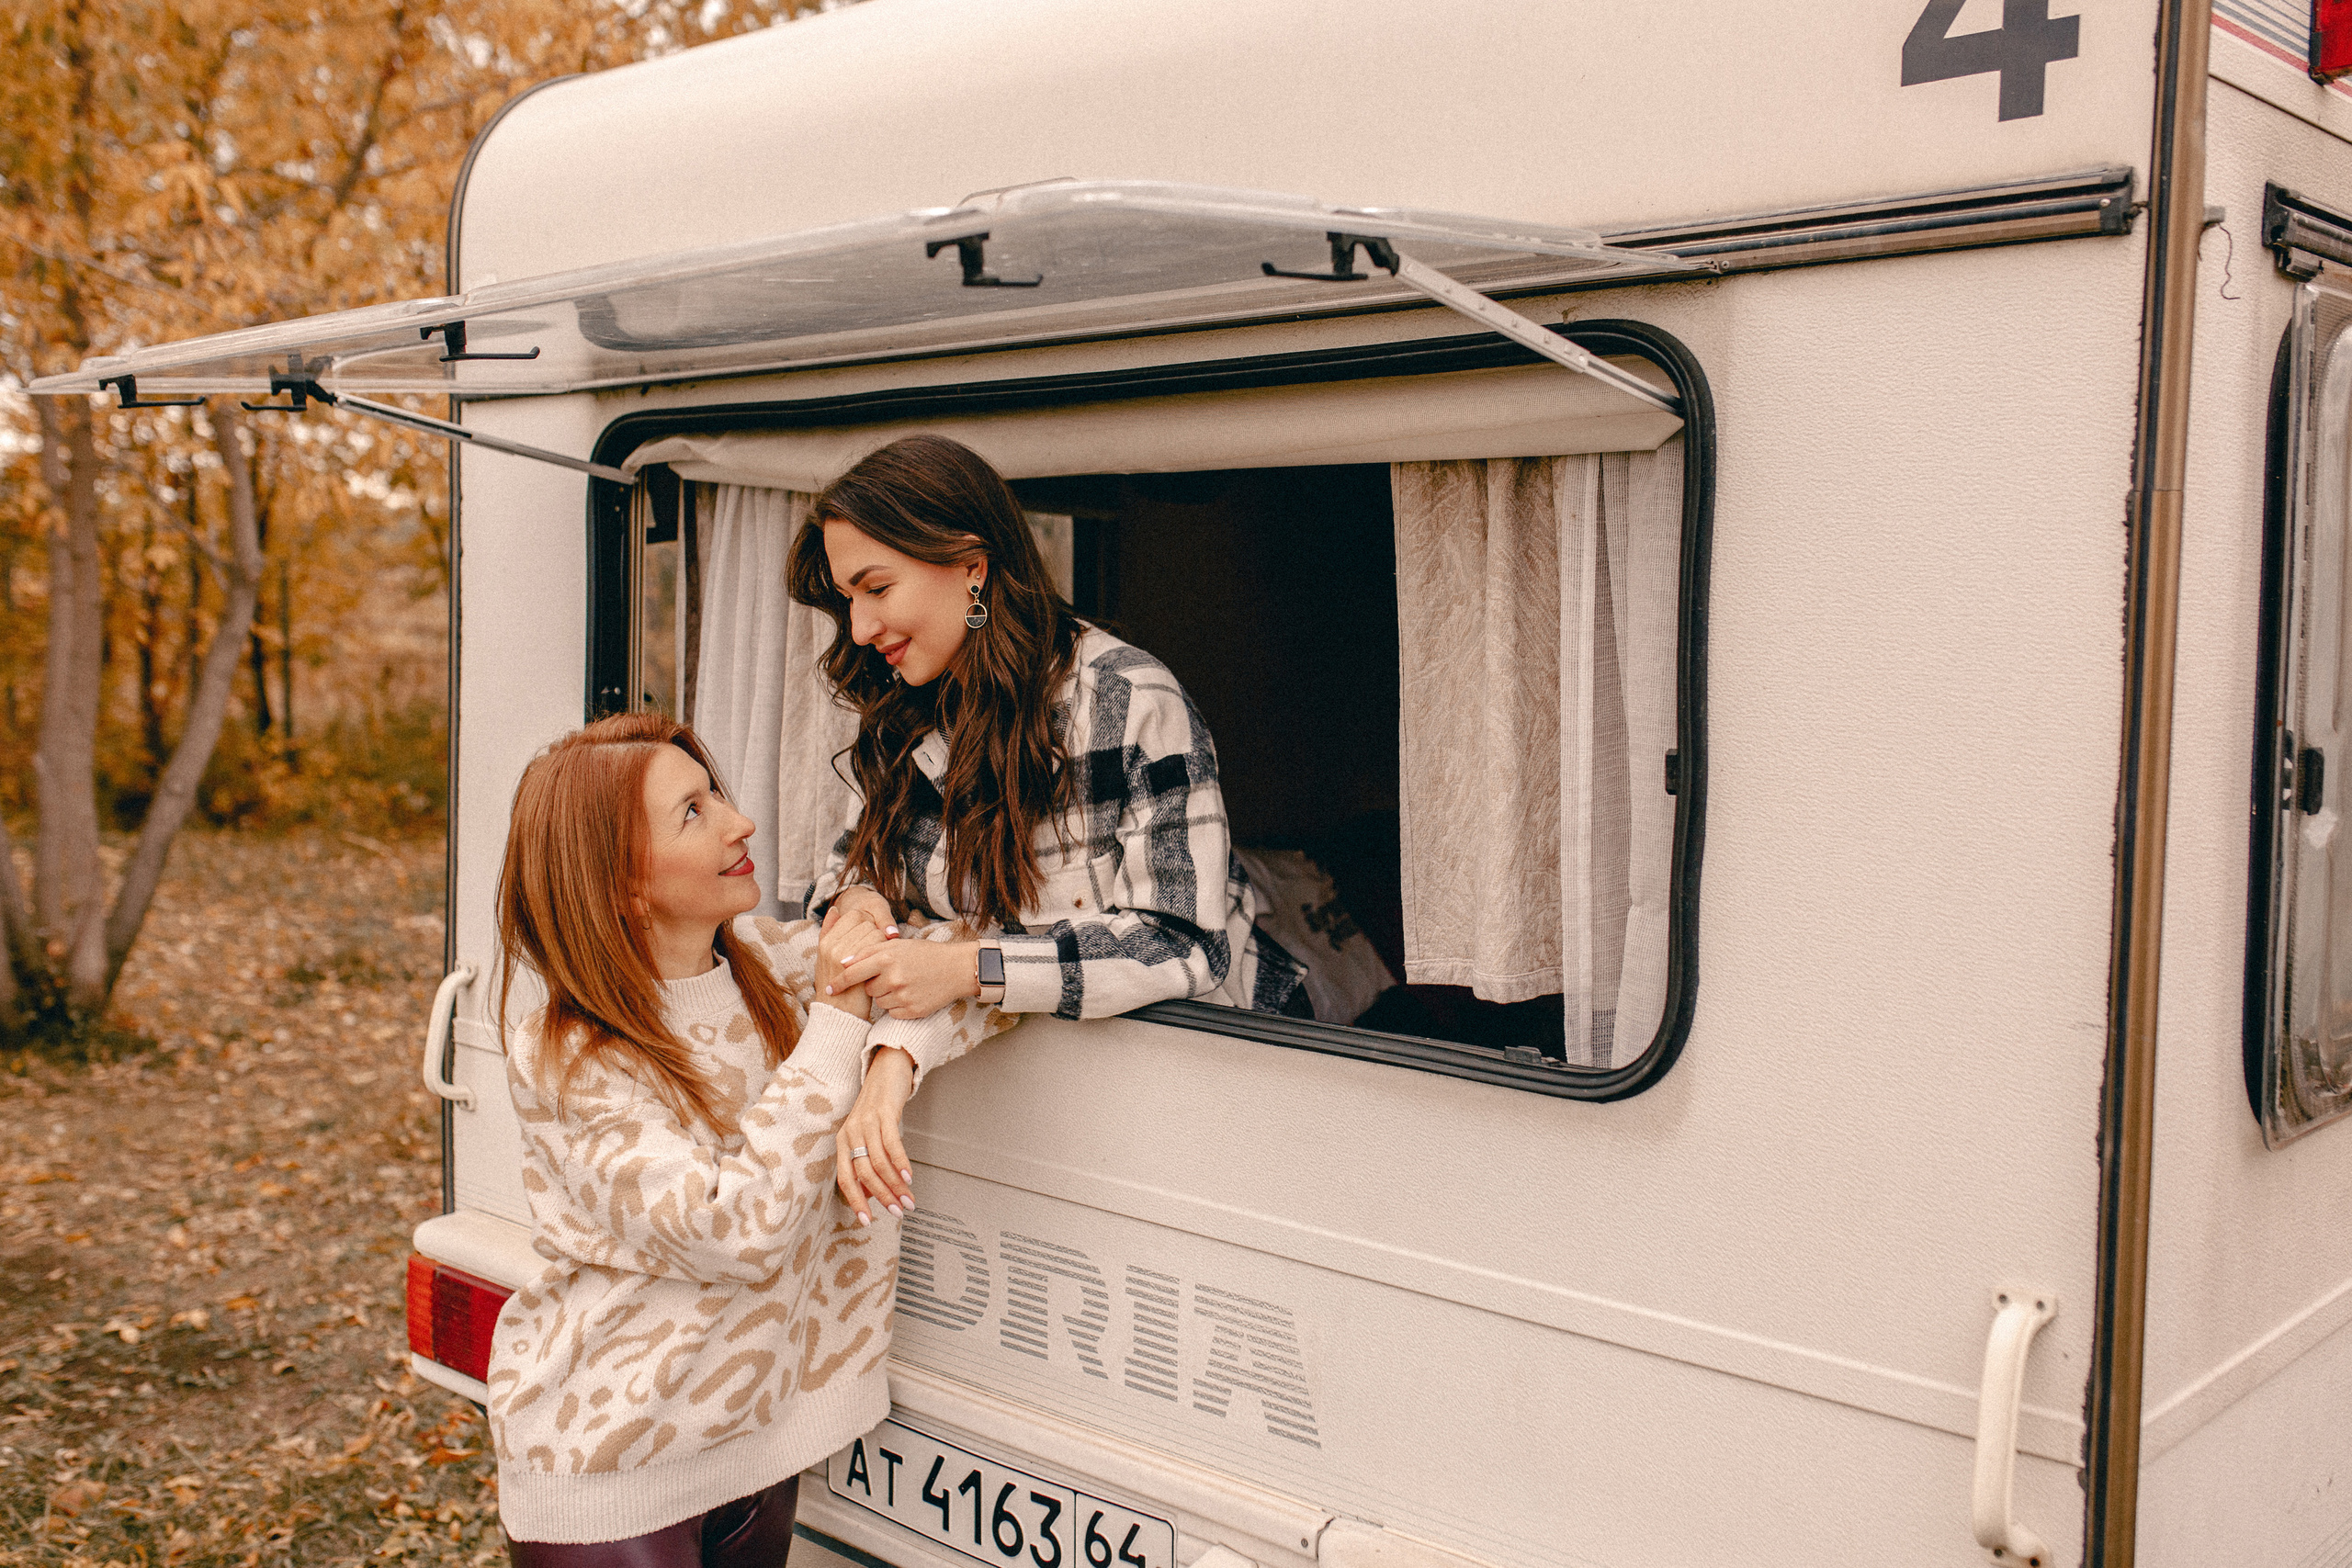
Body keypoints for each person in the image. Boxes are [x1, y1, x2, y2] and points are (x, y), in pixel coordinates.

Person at [485, 714, 1006, 1564]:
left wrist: (887, 1069)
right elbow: (739, 1229)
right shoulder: (569, 1056)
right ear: (622, 885)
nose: (740, 821)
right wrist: (842, 1018)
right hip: (615, 1477)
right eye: (692, 812)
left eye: (716, 792)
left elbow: (961, 968)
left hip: (753, 1456)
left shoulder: (769, 963)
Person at [784, 434, 1306, 1069]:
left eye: (878, 588)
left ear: (971, 566)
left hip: (1201, 1071)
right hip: (1024, 1075)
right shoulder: (901, 707)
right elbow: (849, 867)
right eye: (848, 599)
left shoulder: (1128, 700)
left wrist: (970, 969)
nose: (860, 629)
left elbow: (1183, 942)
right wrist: (858, 901)